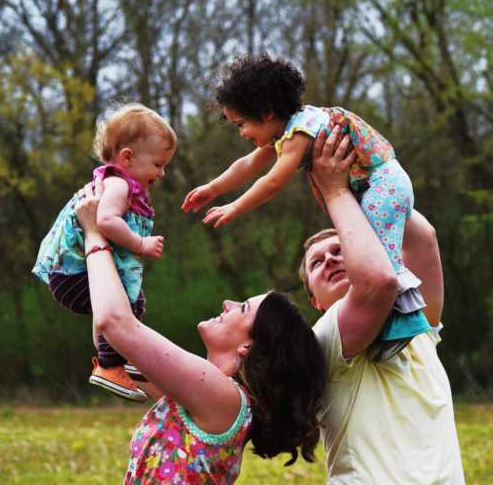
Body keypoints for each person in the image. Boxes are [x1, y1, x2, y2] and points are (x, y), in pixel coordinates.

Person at [73, 184, 327, 484]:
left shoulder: (224, 398)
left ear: (249, 345)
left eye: (242, 308)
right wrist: (115, 249)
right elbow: (111, 346)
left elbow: (116, 324)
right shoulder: (204, 393)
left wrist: (94, 234)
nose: (227, 304)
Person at [183, 53, 430, 360]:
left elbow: (273, 182)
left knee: (381, 261)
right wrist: (213, 188)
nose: (242, 133)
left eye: (241, 123)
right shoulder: (287, 131)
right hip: (371, 189)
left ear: (267, 112)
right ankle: (387, 324)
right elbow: (247, 164)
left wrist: (235, 207)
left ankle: (400, 325)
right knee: (372, 259)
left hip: (382, 187)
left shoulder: (301, 132)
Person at [299, 126, 466, 484]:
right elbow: (377, 282)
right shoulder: (326, 339)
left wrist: (372, 175)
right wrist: (334, 190)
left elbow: (423, 238)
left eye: (339, 250)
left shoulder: (415, 319)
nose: (329, 259)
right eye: (317, 263)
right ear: (314, 300)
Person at [32, 103, 175, 402]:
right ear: (127, 157)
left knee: (130, 304)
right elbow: (105, 221)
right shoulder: (118, 186)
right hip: (73, 274)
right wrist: (140, 244)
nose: (162, 173)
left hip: (73, 275)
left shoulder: (120, 184)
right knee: (125, 306)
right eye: (159, 164)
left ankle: (123, 358)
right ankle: (111, 365)